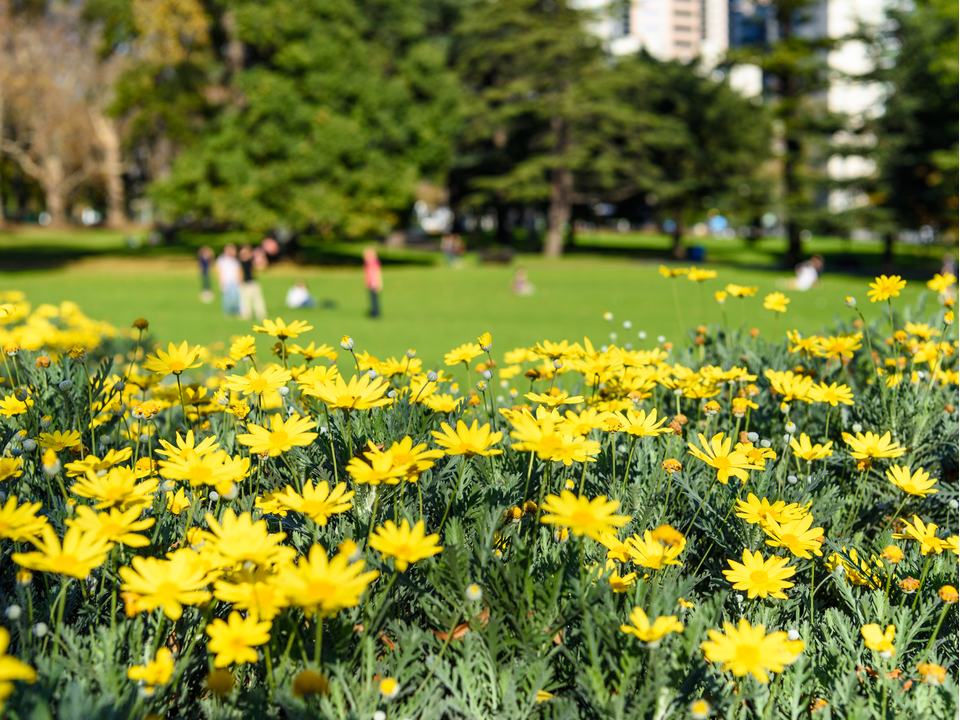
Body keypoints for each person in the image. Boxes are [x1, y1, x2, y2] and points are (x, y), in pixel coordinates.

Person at [238, 244, 267, 320]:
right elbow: (239, 273)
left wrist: (261, 259)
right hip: (245, 283)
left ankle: (260, 314)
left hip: (253, 282)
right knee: (245, 300)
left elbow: (261, 267)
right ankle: (246, 314)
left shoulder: (252, 261)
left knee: (258, 299)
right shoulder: (239, 262)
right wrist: (241, 282)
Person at [215, 244, 242, 317]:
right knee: (227, 297)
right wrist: (221, 281)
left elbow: (238, 271)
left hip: (235, 281)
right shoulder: (222, 259)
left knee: (236, 297)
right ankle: (228, 311)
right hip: (226, 281)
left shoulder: (235, 260)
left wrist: (240, 280)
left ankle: (237, 310)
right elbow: (219, 270)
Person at [363, 246, 383, 318]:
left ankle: (376, 313)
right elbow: (366, 274)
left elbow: (378, 274)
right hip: (370, 284)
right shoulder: (367, 264)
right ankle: (374, 312)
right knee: (371, 299)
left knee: (375, 299)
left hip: (375, 284)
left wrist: (380, 284)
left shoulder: (375, 263)